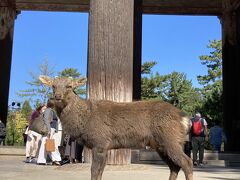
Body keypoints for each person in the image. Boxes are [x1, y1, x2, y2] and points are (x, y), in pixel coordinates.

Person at [37, 99, 62, 166]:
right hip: (49, 129)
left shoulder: (51, 110)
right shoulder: (48, 110)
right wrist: (49, 130)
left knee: (46, 144)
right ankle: (55, 159)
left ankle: (43, 160)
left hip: (51, 129)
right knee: (50, 144)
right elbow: (46, 120)